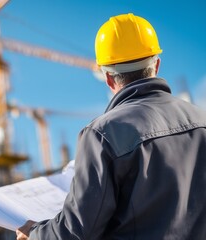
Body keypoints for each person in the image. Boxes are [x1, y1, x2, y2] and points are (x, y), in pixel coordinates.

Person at [16, 13, 206, 240]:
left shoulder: (102, 134)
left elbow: (76, 231)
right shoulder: (201, 120)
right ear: (156, 64)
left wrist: (35, 234)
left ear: (107, 78)